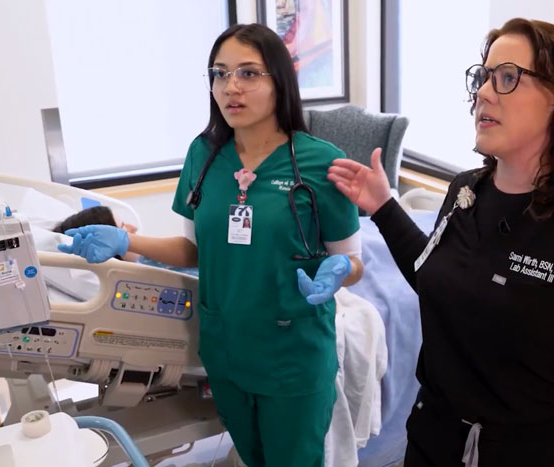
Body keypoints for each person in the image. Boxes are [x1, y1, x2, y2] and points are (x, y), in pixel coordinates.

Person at [328, 18, 554, 467]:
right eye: (483, 77)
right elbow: (434, 276)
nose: (484, 92)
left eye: (507, 77)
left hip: (541, 452)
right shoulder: (467, 191)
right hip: (434, 438)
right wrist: (385, 206)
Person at [58, 23, 363, 467]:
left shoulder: (322, 163)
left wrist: (342, 272)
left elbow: (352, 261)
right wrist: (127, 239)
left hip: (291, 354)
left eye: (248, 73)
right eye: (219, 74)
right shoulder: (204, 155)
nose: (230, 87)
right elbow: (192, 252)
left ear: (281, 79)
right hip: (225, 349)